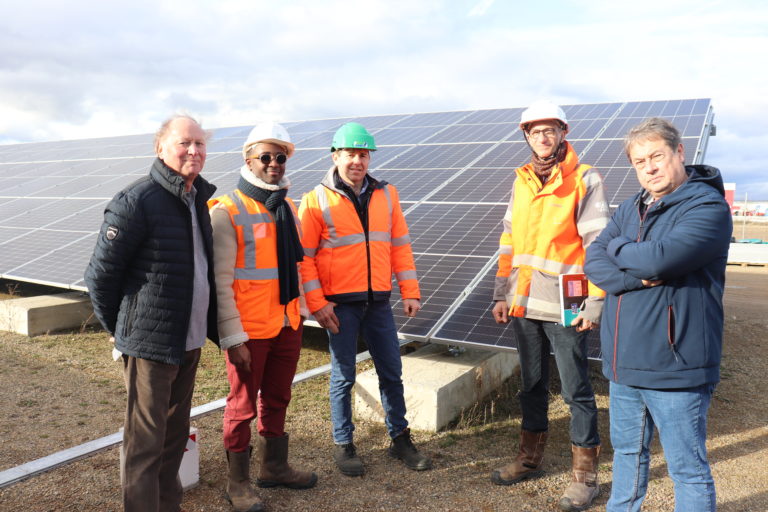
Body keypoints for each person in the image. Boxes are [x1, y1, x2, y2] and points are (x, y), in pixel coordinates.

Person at [585, 117, 731, 511]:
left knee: (687, 468)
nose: (648, 167)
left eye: (656, 156)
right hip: (624, 364)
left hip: (676, 365)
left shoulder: (707, 206)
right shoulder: (631, 207)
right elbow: (593, 259)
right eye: (638, 161)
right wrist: (633, 273)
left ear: (679, 152)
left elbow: (661, 259)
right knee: (628, 458)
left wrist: (617, 250)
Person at [84, 114, 219, 512]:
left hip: (188, 342)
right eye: (184, 143)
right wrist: (123, 332)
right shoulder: (137, 200)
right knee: (145, 445)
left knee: (173, 439)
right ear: (160, 147)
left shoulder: (198, 201)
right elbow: (100, 276)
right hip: (150, 346)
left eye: (200, 143)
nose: (194, 150)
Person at [491, 101, 610, 511]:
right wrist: (499, 292)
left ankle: (585, 476)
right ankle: (529, 457)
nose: (541, 138)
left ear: (563, 132)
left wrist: (595, 298)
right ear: (526, 136)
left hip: (566, 305)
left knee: (576, 387)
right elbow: (509, 239)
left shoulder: (584, 177)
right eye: (533, 132)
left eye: (549, 130)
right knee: (532, 386)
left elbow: (598, 243)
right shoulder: (522, 180)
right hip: (523, 300)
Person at [298, 122, 431, 477]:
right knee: (343, 376)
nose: (357, 160)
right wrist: (317, 303)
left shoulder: (387, 195)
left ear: (369, 157)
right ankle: (344, 444)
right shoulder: (316, 200)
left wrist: (410, 290)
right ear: (336, 155)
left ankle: (400, 439)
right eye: (350, 154)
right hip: (339, 305)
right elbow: (304, 258)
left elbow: (400, 245)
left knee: (392, 371)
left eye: (363, 154)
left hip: (378, 303)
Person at [208, 122, 317, 512]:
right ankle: (238, 483)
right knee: (242, 405)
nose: (274, 163)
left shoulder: (288, 206)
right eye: (266, 157)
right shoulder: (227, 210)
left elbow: (299, 266)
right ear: (248, 159)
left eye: (281, 157)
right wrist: (231, 337)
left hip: (287, 323)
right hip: (248, 330)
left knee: (278, 397)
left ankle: (274, 466)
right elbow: (220, 283)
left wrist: (305, 312)